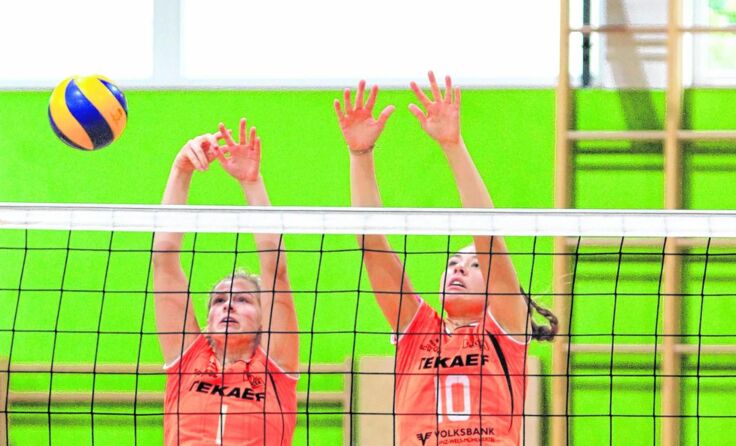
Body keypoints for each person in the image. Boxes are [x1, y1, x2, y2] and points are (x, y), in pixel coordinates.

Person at [335, 72, 558, 445]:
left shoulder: (505, 330)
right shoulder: (418, 330)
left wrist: (453, 146)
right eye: (453, 263)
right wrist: (360, 155)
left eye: (474, 266)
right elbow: (372, 247)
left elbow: (488, 236)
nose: (459, 268)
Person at [153, 119, 298, 446]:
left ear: (264, 320)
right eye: (219, 301)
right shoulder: (189, 359)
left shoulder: (274, 367)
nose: (228, 305)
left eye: (243, 300)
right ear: (206, 321)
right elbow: (164, 259)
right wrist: (181, 170)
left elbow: (275, 269)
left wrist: (251, 182)